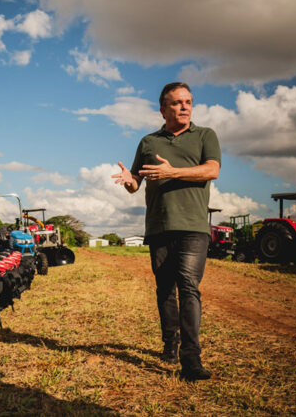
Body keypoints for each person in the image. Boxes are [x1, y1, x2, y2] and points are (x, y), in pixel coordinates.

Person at [111, 82, 221, 381]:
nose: (185, 107)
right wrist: (128, 180)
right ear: (163, 109)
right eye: (177, 103)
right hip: (159, 227)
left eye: (188, 101)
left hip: (193, 227)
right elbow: (136, 183)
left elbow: (211, 170)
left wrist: (173, 172)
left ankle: (191, 359)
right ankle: (169, 343)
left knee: (188, 286)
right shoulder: (148, 142)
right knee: (165, 291)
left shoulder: (204, 135)